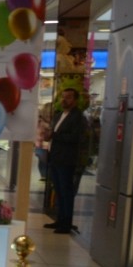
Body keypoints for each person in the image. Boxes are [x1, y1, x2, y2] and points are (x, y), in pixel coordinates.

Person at [45, 88, 88, 234]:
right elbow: (54, 134)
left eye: (68, 97)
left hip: (66, 159)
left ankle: (66, 223)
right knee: (58, 191)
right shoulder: (59, 115)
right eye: (63, 97)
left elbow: (75, 138)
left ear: (75, 100)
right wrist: (49, 136)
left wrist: (54, 135)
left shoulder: (78, 117)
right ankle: (60, 219)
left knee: (66, 192)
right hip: (55, 158)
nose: (64, 100)